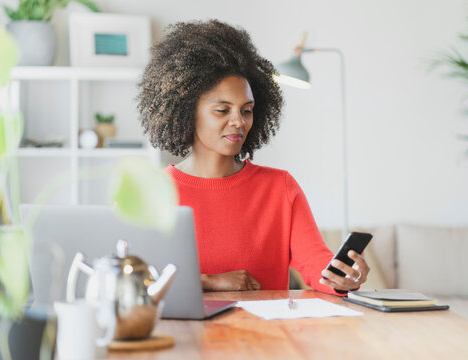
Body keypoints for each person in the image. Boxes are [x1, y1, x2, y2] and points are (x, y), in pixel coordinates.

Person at [137, 20, 369, 295]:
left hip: (266, 334)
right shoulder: (154, 191)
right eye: (222, 110)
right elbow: (142, 277)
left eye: (246, 110)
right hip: (187, 335)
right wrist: (210, 281)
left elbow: (315, 264)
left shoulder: (279, 187)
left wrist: (343, 278)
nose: (239, 121)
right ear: (187, 111)